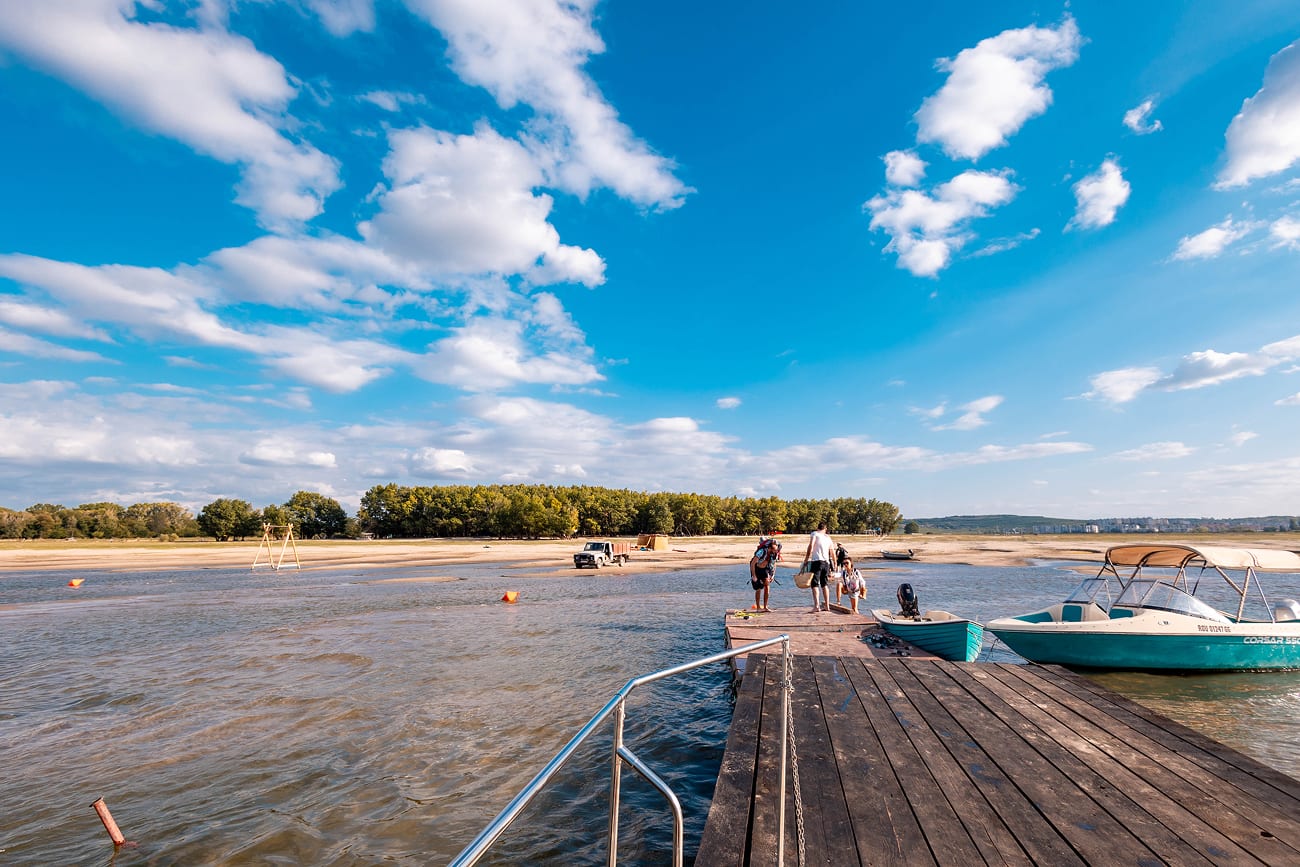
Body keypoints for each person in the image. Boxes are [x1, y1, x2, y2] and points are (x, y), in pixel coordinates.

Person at [803, 522, 835, 612]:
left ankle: (816, 606)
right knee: (824, 584)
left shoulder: (814, 534)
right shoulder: (828, 537)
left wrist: (806, 558)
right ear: (825, 529)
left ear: (818, 528)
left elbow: (811, 545)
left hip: (817, 561)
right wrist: (835, 563)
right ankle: (827, 606)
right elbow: (832, 551)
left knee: (814, 584)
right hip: (826, 562)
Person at [749, 537, 780, 611]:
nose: (775, 552)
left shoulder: (774, 554)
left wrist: (773, 575)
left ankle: (765, 607)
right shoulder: (761, 552)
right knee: (758, 588)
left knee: (767, 586)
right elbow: (753, 563)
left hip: (765, 569)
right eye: (774, 550)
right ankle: (758, 607)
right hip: (757, 569)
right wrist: (754, 576)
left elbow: (774, 564)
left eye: (776, 550)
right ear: (769, 548)